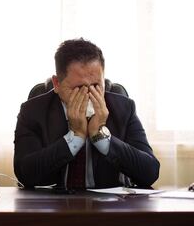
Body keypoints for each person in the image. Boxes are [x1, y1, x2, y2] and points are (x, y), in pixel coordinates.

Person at [13, 38, 160, 189]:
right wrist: (75, 137)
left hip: (109, 208)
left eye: (96, 86)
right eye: (78, 88)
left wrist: (101, 136)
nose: (89, 95)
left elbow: (150, 173)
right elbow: (25, 173)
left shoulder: (124, 108)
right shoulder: (32, 111)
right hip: (55, 206)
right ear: (57, 83)